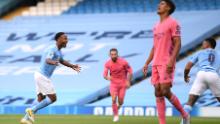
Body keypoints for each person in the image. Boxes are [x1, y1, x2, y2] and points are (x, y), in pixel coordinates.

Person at [142, 0, 190, 124]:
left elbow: (178, 43)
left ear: (168, 8)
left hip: (166, 62)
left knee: (165, 90)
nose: (159, 5)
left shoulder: (173, 23)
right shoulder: (156, 26)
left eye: (162, 4)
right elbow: (154, 46)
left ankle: (185, 115)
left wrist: (171, 60)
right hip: (156, 62)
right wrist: (147, 62)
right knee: (157, 91)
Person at [20, 32, 81, 124]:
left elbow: (62, 61)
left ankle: (25, 119)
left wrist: (72, 66)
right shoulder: (53, 49)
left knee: (41, 99)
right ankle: (31, 110)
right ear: (58, 39)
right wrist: (53, 62)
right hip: (43, 76)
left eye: (67, 38)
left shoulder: (58, 51)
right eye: (64, 38)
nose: (66, 40)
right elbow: (47, 59)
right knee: (53, 98)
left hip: (38, 74)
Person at [181, 38, 220, 123]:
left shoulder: (200, 53)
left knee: (190, 102)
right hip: (213, 75)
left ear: (208, 44)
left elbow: (188, 66)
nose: (202, 45)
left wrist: (185, 75)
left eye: (203, 44)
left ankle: (184, 123)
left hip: (201, 75)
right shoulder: (218, 53)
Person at [103, 48, 133, 122]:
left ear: (117, 54)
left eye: (115, 54)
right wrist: (107, 77)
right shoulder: (107, 63)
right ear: (109, 55)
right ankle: (116, 115)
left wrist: (128, 81)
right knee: (113, 99)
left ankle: (119, 106)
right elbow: (104, 74)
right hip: (113, 84)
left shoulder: (123, 62)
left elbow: (130, 71)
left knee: (120, 101)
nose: (113, 56)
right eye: (112, 54)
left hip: (122, 84)